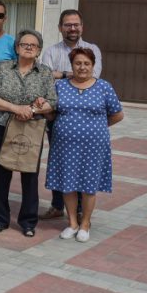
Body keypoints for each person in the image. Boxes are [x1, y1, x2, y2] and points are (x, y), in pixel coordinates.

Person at [46, 47, 123, 243]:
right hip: (64, 145)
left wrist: (96, 127)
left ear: (93, 66)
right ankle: (72, 223)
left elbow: (117, 114)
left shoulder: (104, 87)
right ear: (72, 65)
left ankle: (85, 224)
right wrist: (42, 109)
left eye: (86, 63)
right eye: (78, 63)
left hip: (94, 146)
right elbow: (52, 113)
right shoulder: (60, 86)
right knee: (68, 183)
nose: (82, 67)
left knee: (89, 186)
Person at [0, 29, 56, 237]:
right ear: (16, 48)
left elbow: (52, 103)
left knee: (29, 176)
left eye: (33, 46)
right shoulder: (2, 68)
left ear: (38, 51)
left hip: (31, 128)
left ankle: (28, 222)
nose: (28, 48)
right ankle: (0, 219)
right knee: (2, 174)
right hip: (1, 126)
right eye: (24, 44)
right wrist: (16, 108)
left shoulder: (45, 73)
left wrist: (34, 109)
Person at [40, 9, 103, 220]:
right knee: (60, 161)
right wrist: (70, 75)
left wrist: (61, 76)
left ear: (82, 27)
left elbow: (92, 77)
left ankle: (79, 211)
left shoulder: (93, 49)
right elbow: (46, 78)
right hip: (59, 115)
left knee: (83, 164)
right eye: (67, 24)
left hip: (87, 118)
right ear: (60, 28)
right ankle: (58, 205)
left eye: (76, 24)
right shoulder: (50, 51)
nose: (72, 28)